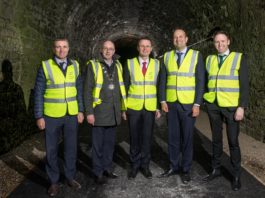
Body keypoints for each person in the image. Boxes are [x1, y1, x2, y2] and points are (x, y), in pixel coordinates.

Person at [34, 38, 84, 197]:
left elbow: (79, 90)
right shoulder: (45, 66)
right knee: (52, 149)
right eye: (58, 47)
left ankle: (70, 177)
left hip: (71, 114)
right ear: (54, 49)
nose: (61, 50)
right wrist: (39, 116)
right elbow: (38, 93)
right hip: (51, 115)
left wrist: (80, 110)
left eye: (64, 47)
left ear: (69, 49)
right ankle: (53, 182)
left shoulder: (75, 65)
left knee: (71, 148)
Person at [202, 30, 249, 191]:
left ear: (228, 41)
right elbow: (206, 80)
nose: (220, 44)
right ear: (214, 43)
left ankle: (236, 175)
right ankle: (216, 169)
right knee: (216, 139)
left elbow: (244, 85)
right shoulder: (209, 59)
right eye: (216, 42)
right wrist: (205, 99)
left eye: (223, 41)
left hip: (231, 107)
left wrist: (241, 107)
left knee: (233, 142)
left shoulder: (238, 58)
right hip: (214, 105)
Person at [158, 28, 205, 184]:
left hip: (188, 104)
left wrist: (197, 103)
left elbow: (200, 81)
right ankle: (173, 166)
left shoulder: (196, 56)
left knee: (187, 138)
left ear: (186, 39)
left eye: (181, 37)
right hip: (171, 104)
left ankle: (185, 169)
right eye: (175, 37)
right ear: (173, 40)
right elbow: (162, 80)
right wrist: (163, 100)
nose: (178, 39)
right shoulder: (166, 57)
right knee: (172, 138)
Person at [83, 40, 127, 185]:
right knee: (98, 145)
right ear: (101, 51)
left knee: (109, 144)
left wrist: (122, 109)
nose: (108, 51)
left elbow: (121, 89)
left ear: (114, 51)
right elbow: (87, 91)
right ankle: (98, 172)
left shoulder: (118, 65)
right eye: (105, 49)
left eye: (111, 49)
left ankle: (107, 168)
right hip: (99, 112)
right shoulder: (93, 65)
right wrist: (89, 112)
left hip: (114, 112)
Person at [123, 37, 161, 180]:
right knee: (134, 137)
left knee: (147, 137)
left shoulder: (157, 64)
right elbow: (125, 87)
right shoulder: (130, 63)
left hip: (150, 107)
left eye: (147, 46)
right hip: (133, 106)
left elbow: (158, 87)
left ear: (151, 49)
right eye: (142, 46)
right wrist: (123, 108)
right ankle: (134, 165)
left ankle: (145, 166)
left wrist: (157, 107)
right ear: (138, 48)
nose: (145, 49)